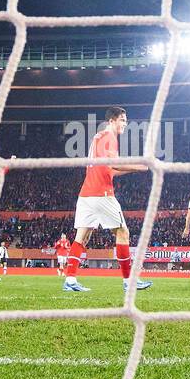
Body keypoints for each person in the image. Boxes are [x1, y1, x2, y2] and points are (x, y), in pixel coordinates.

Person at [62, 106, 153, 293]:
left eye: (126, 122)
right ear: (112, 120)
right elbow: (113, 164)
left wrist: (134, 168)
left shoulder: (98, 138)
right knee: (123, 232)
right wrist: (140, 166)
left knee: (82, 237)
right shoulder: (109, 137)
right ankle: (129, 282)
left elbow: (109, 170)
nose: (125, 125)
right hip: (102, 194)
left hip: (86, 194)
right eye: (122, 120)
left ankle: (70, 280)